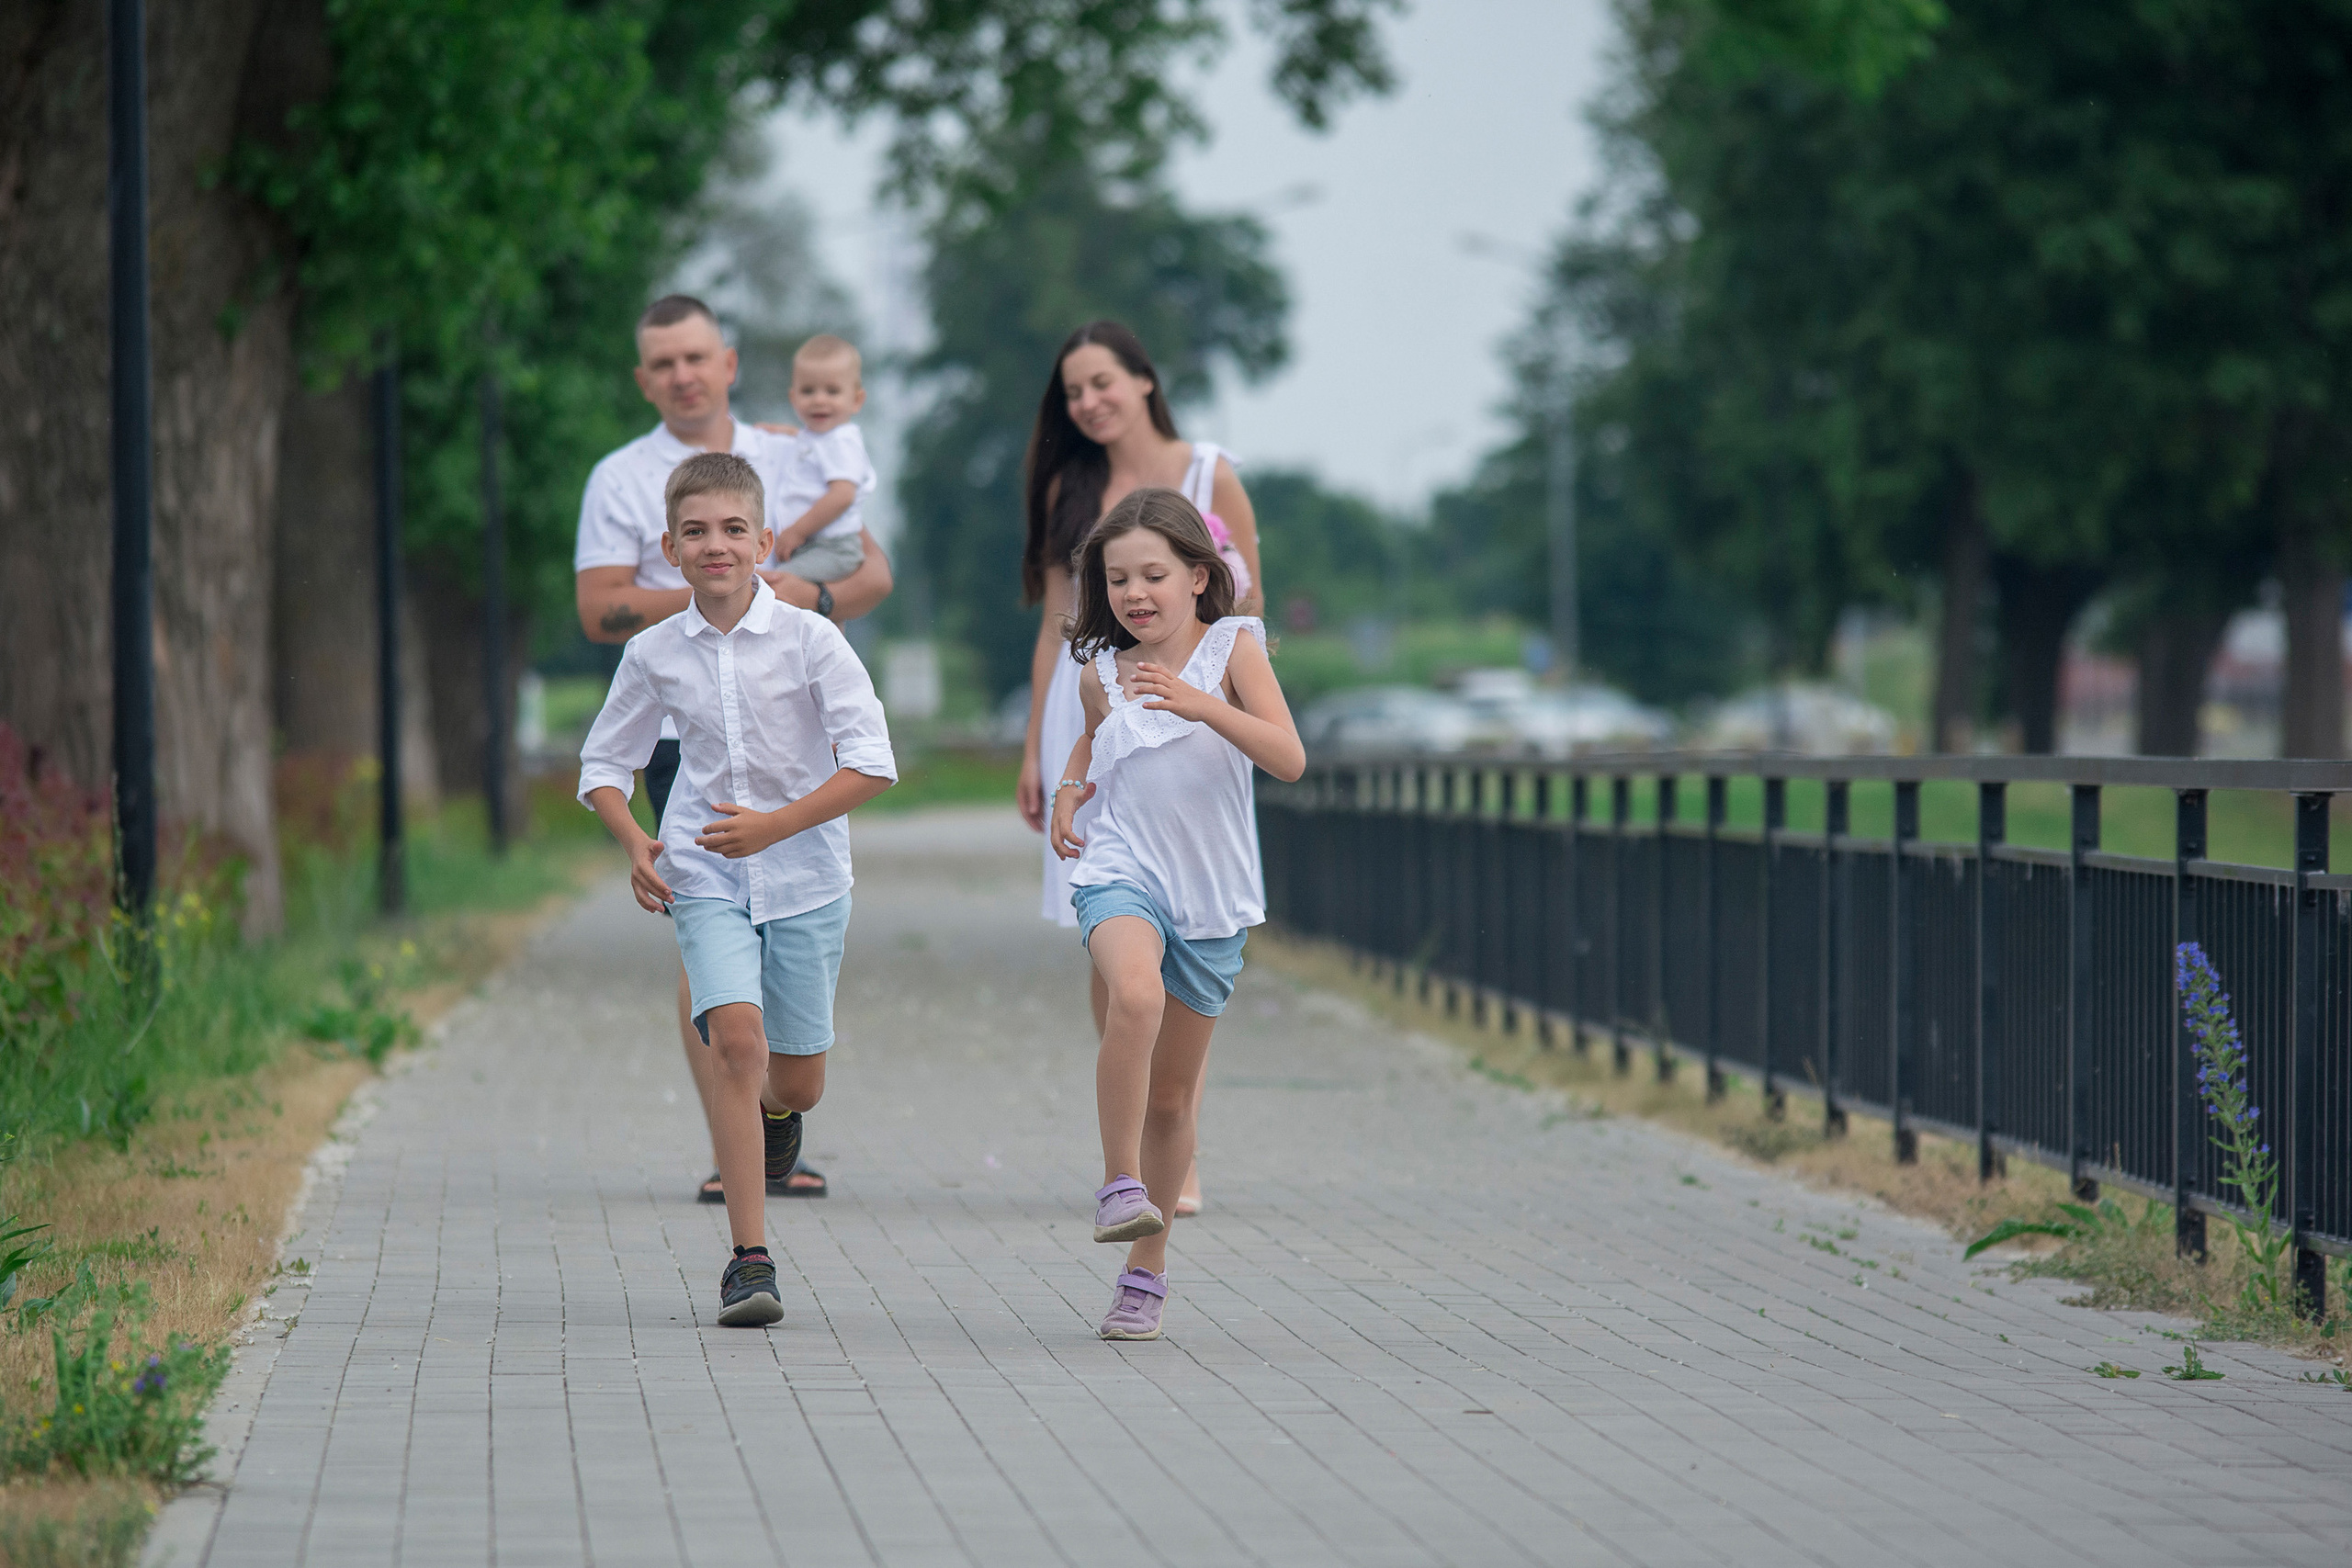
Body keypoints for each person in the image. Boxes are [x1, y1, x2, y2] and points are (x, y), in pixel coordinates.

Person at [575, 294, 895, 1205]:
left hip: (784, 718)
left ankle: (773, 1106)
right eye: (662, 363)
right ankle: (735, 1136)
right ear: (644, 380)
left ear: (727, 362)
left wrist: (790, 601)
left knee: (790, 1020)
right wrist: (706, 600)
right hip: (679, 732)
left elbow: (869, 571)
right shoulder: (620, 477)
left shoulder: (791, 454)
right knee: (710, 940)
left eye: (695, 357)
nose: (682, 375)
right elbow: (599, 608)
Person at [1015, 321, 1263, 1217]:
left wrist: (1221, 696)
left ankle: (1174, 1136)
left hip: (1195, 707)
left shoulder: (1209, 473)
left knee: (1187, 926)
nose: (1088, 403)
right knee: (1113, 927)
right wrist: (1038, 750)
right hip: (1095, 703)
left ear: (1144, 380)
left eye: (1102, 383)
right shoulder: (1069, 487)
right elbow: (1057, 623)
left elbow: (1249, 597)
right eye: (1073, 391)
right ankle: (1130, 1145)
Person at [1047, 489, 1304, 1340]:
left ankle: (1144, 1274)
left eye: (1152, 574)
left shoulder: (1234, 649)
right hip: (1122, 869)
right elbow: (1094, 741)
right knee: (1133, 994)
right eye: (1117, 578)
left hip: (1212, 896)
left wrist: (1203, 704)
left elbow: (1289, 757)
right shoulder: (1101, 672)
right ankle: (1119, 1183)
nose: (1134, 593)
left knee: (1173, 1100)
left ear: (1199, 575)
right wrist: (1072, 787)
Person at [764, 334, 875, 587]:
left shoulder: (841, 442)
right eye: (808, 391)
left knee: (776, 584)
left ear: (856, 400)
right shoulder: (820, 437)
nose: (819, 400)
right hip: (815, 545)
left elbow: (842, 495)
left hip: (833, 547)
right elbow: (808, 442)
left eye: (832, 391)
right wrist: (782, 432)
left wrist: (797, 531)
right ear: (794, 398)